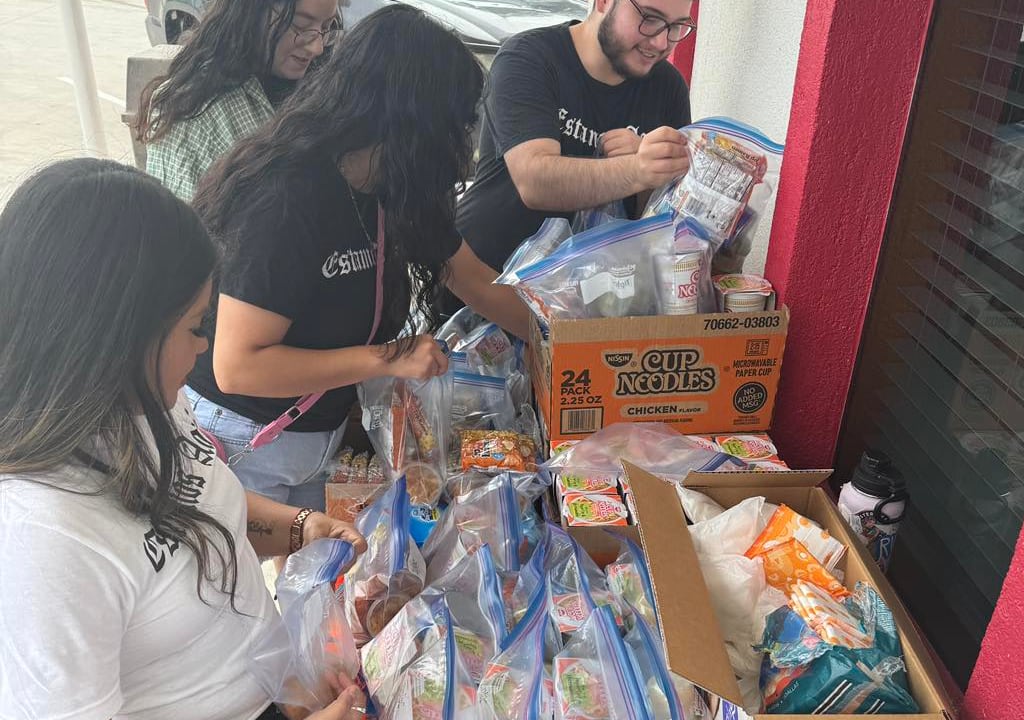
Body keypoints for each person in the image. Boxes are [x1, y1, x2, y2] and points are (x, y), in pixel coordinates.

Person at [0, 159, 366, 720]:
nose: (205, 348)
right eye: (197, 327)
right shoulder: (41, 543)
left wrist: (297, 528)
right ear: (117, 340)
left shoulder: (140, 403)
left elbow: (189, 505)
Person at [186, 6, 531, 511]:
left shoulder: (396, 188)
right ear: (410, 120)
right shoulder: (285, 197)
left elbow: (475, 280)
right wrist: (388, 359)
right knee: (235, 582)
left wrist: (559, 341)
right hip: (243, 435)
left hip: (318, 428)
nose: (464, 146)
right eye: (455, 126)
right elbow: (239, 367)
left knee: (316, 573)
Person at [455, 0, 696, 278]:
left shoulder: (668, 87)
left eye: (676, 26)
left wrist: (653, 170)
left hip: (591, 297)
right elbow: (535, 182)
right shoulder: (529, 57)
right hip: (486, 284)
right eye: (650, 18)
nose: (661, 42)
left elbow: (665, 225)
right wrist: (640, 169)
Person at [137, 0, 341, 202]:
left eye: (326, 27)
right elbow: (185, 226)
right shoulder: (195, 111)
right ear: (252, 12)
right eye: (301, 26)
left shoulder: (316, 89)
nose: (317, 47)